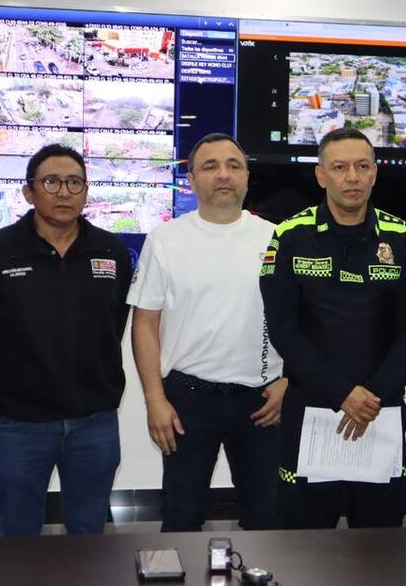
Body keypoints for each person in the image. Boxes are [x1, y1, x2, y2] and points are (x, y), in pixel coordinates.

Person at [260, 127, 406, 529]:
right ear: (321, 175)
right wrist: (342, 393)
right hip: (311, 413)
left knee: (379, 546)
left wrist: (371, 396)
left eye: (362, 166)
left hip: (380, 411)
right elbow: (283, 329)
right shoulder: (290, 235)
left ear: (374, 173)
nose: (352, 177)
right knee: (305, 547)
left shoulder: (401, 236)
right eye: (339, 167)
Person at [0, 144, 131, 536]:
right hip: (18, 424)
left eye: (75, 183)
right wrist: (5, 383)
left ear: (86, 191)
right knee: (18, 535)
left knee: (88, 534)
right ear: (28, 192)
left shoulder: (111, 250)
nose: (64, 192)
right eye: (51, 182)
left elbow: (114, 323)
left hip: (94, 422)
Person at [127, 133, 285, 531]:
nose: (223, 175)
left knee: (267, 519)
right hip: (186, 401)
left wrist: (290, 382)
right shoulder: (165, 239)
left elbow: (303, 319)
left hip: (262, 400)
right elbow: (145, 322)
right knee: (181, 517)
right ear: (192, 180)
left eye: (233, 165)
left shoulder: (277, 238)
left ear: (247, 176)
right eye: (210, 166)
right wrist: (154, 400)